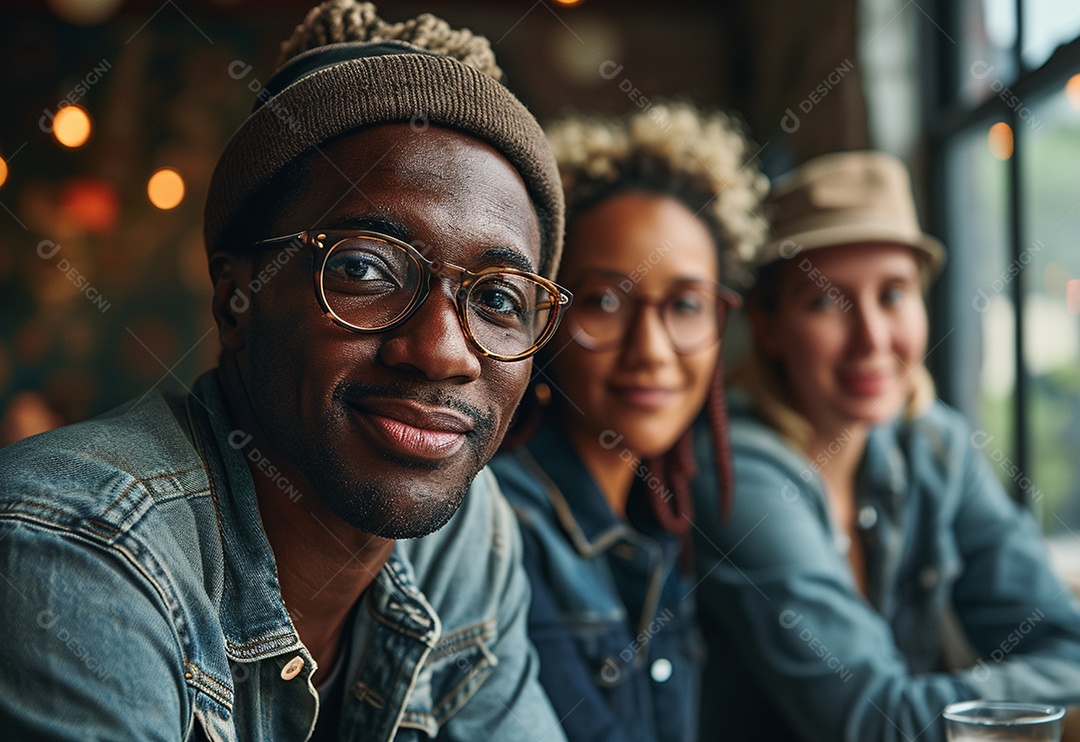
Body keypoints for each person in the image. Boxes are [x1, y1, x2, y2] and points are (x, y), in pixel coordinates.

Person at [0, 2, 576, 740]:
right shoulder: (78, 548)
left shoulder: (465, 534)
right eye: (365, 268)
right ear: (236, 299)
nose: (443, 351)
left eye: (497, 298)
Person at [691, 150, 1080, 742]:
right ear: (768, 328)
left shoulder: (935, 444)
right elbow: (875, 719)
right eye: (826, 302)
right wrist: (1026, 704)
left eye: (894, 294)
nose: (872, 338)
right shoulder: (733, 472)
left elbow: (1066, 643)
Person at [489, 102, 768, 742]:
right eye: (606, 301)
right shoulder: (503, 529)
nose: (651, 350)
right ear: (546, 313)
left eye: (686, 305)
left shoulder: (659, 524)